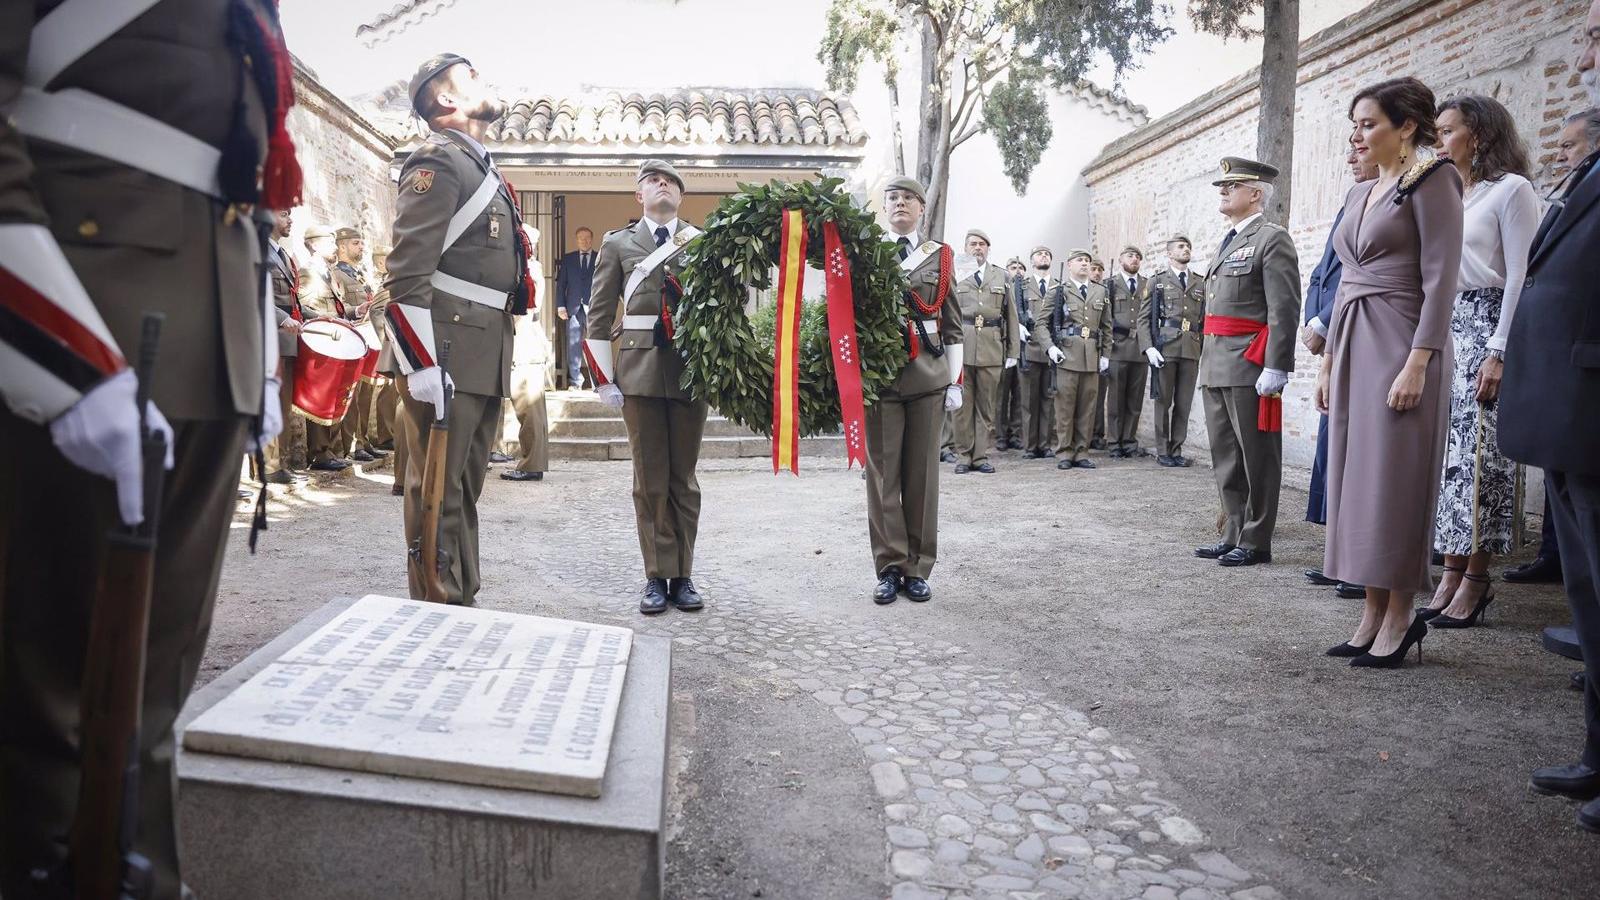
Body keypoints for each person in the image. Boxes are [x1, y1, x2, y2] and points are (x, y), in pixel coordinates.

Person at [0, 1, 293, 895]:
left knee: (149, 698)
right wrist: (63, 360)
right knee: (45, 703)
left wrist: (262, 355)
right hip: (81, 316)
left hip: (211, 343)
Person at [1318, 76, 1464, 667]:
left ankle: (1401, 615)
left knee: (1393, 481)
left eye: (1369, 123)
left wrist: (1419, 362)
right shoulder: (1359, 194)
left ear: (1406, 127)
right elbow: (1344, 279)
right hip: (1353, 343)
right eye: (1354, 124)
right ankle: (1370, 612)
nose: (1357, 135)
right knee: (1356, 480)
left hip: (1405, 344)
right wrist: (1328, 361)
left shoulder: (1433, 180)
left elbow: (1442, 279)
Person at [1502, 0, 1600, 832]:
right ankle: (1598, 758)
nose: (1590, 45)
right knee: (1589, 595)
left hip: (1593, 410)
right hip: (1572, 416)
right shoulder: (1587, 178)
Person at [385, 52, 524, 607]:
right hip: (443, 349)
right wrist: (420, 364)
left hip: (479, 348)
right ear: (445, 99)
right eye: (472, 76)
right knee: (437, 488)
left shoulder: (479, 166)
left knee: (463, 489)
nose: (485, 80)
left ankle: (459, 598)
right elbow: (407, 272)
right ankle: (437, 606)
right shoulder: (438, 163)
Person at [1420, 94, 1541, 627]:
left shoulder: (1512, 190)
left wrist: (1499, 351)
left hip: (1487, 324)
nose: (1440, 141)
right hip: (1445, 325)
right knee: (1445, 457)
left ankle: (1476, 577)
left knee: (1480, 457)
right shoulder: (1449, 194)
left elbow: (1520, 275)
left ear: (1480, 135)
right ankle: (1447, 570)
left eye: (1448, 131)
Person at [586, 160, 709, 615]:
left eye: (671, 182)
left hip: (689, 372)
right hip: (637, 374)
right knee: (649, 479)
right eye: (653, 181)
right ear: (639, 195)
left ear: (681, 196)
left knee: (684, 480)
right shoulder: (618, 244)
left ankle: (684, 575)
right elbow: (598, 315)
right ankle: (657, 575)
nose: (663, 185)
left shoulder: (702, 243)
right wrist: (603, 379)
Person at [1505, 107, 1599, 585]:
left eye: (1570, 145)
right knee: (1564, 488)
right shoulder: (1572, 190)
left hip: (1581, 361)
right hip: (1554, 361)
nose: (1559, 155)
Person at [1194, 157, 1301, 568]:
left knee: (1257, 454)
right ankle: (1232, 530)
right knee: (1225, 454)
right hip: (1216, 360)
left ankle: (1257, 539)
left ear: (1255, 193)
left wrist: (1277, 366)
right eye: (1222, 186)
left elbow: (1284, 307)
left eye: (1232, 185)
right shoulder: (1229, 241)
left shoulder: (1271, 239)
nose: (1224, 191)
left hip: (1249, 362)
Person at [866, 176, 963, 604]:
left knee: (922, 477)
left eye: (909, 198)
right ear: (884, 207)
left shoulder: (939, 256)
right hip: (881, 377)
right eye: (893, 198)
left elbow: (953, 323)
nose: (900, 203)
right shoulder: (867, 253)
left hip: (927, 375)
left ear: (922, 209)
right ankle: (889, 566)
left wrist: (955, 380)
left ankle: (918, 567)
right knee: (884, 476)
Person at [1301, 149, 1377, 598]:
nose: (1350, 156)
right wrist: (1315, 320)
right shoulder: (1351, 199)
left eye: (1362, 147)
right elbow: (1321, 273)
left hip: (1360, 328)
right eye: (1347, 147)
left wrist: (1325, 322)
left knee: (1360, 451)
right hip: (1334, 332)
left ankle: (1360, 564)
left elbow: (1359, 272)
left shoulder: (1387, 200)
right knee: (1334, 447)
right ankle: (1340, 556)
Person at [950, 228, 1019, 474]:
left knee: (987, 406)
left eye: (982, 244)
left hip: (991, 346)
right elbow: (946, 312)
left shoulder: (1000, 276)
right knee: (962, 406)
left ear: (988, 248)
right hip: (962, 345)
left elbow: (1010, 315)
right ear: (965, 248)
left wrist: (1013, 351)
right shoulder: (955, 273)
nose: (977, 248)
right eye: (973, 244)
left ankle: (980, 456)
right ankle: (963, 456)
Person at [1039, 249, 1111, 469]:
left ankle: (1081, 452)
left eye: (1087, 261)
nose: (1084, 264)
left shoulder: (1100, 292)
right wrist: (1050, 348)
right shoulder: (1059, 290)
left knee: (1087, 408)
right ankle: (1064, 452)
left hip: (1091, 356)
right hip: (1066, 356)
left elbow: (1106, 327)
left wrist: (1106, 355)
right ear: (1069, 265)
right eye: (1079, 260)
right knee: (1065, 408)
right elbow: (1041, 324)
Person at [1140, 236, 1206, 467]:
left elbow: (1204, 320)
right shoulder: (1157, 281)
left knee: (1184, 402)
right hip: (1165, 347)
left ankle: (1176, 449)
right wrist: (1149, 347)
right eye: (1180, 246)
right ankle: (1162, 450)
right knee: (1163, 401)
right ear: (1169, 254)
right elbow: (1144, 319)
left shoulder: (1200, 282)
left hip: (1191, 347)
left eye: (1188, 246)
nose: (1186, 249)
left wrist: (1204, 349)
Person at [298, 223, 355, 471]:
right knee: (321, 397)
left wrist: (355, 312)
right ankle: (319, 453)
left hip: (336, 339)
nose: (335, 247)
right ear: (314, 245)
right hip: (321, 340)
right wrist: (329, 320)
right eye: (330, 242)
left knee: (335, 396)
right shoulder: (307, 272)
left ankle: (329, 450)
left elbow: (339, 309)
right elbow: (303, 308)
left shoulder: (329, 273)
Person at [330, 227, 387, 464]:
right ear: (341, 246)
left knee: (366, 395)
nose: (361, 247)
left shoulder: (358, 274)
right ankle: (352, 444)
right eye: (356, 243)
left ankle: (363, 440)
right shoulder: (337, 274)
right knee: (353, 396)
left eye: (361, 243)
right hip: (353, 340)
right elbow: (341, 307)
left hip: (367, 340)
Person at [505, 224, 550, 482]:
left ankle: (532, 463)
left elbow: (522, 311)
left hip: (523, 342)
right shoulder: (529, 267)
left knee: (529, 407)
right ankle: (531, 461)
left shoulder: (529, 268)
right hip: (523, 340)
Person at [264, 208, 306, 484]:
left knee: (282, 403)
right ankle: (269, 466)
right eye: (282, 214)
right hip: (270, 336)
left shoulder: (283, 255)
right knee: (269, 400)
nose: (289, 219)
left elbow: (293, 302)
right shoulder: (258, 250)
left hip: (287, 339)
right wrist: (283, 319)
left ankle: (282, 462)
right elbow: (256, 291)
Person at [1103, 246, 1148, 458]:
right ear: (1121, 260)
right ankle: (1114, 442)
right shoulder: (1110, 285)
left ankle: (1129, 441)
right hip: (1118, 346)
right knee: (1115, 399)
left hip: (1140, 348)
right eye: (1130, 256)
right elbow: (1104, 317)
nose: (1135, 259)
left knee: (1134, 399)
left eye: (1138, 257)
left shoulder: (1147, 285)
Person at [1019, 247, 1059, 458]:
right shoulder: (1023, 287)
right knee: (1029, 400)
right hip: (1031, 348)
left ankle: (1045, 444)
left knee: (1048, 398)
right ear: (1032, 260)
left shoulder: (1059, 286)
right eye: (1039, 254)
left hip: (1052, 348)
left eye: (1047, 254)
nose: (1044, 256)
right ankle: (1030, 445)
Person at [994, 256, 1030, 451]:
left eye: (1021, 268)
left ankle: (1016, 433)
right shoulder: (1003, 289)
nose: (1017, 271)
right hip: (1006, 346)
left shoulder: (1028, 291)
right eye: (1013, 267)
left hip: (1025, 349)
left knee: (1019, 394)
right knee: (1002, 394)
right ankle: (1000, 435)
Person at [557, 226, 597, 389]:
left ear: (592, 239)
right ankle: (575, 381)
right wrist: (560, 306)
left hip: (594, 307)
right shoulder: (569, 259)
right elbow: (561, 285)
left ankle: (597, 381)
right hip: (573, 307)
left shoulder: (600, 257)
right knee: (573, 344)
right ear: (576, 240)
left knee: (595, 343)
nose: (584, 241)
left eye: (587, 238)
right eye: (581, 238)